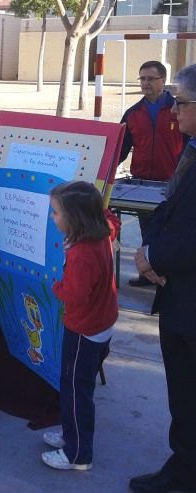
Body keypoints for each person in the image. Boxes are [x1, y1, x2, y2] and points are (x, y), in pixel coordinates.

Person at [129, 64, 196, 493]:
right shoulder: (190, 149)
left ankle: (184, 472)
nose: (175, 113)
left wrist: (154, 257)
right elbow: (168, 208)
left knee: (189, 392)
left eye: (183, 104)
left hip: (188, 300)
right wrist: (147, 252)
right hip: (175, 291)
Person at [41, 181, 120, 471]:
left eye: (56, 213)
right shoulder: (103, 232)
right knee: (79, 388)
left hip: (84, 330)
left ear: (76, 218)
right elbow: (111, 218)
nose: (53, 218)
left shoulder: (81, 254)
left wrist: (56, 288)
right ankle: (71, 433)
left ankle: (77, 454)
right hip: (102, 324)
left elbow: (75, 295)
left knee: (74, 391)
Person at [119, 60, 187, 287]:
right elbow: (119, 149)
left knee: (172, 233)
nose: (145, 83)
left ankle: (169, 278)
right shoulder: (132, 114)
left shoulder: (178, 109)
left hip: (172, 184)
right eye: (142, 79)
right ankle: (147, 274)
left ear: (163, 81)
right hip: (142, 184)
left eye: (151, 78)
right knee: (148, 231)